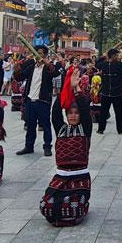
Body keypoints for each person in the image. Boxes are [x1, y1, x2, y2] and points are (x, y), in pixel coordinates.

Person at [40, 68, 92, 226]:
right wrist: (66, 87)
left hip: (80, 177)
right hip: (61, 176)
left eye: (76, 113)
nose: (73, 115)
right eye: (70, 113)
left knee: (72, 207)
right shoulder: (61, 128)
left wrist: (77, 90)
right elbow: (55, 112)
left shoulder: (85, 129)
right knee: (46, 206)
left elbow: (85, 110)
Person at [15, 46, 63, 156]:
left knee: (45, 124)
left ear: (45, 55)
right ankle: (29, 146)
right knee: (30, 125)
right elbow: (19, 77)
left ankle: (47, 146)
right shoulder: (31, 67)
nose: (38, 55)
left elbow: (56, 73)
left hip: (43, 101)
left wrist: (47, 63)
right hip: (30, 99)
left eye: (40, 53)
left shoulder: (48, 68)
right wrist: (17, 67)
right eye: (36, 53)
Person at [95, 48, 122, 134]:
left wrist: (102, 57)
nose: (118, 56)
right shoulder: (118, 65)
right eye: (117, 55)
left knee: (108, 112)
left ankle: (101, 129)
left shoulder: (104, 64)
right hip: (109, 92)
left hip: (113, 92)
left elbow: (97, 63)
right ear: (113, 56)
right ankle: (117, 130)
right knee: (108, 112)